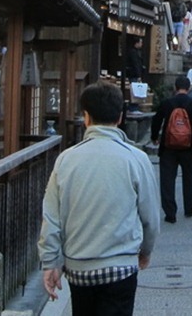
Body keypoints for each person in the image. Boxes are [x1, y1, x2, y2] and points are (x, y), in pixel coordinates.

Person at [39, 82, 159, 314]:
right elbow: (150, 217)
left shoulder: (66, 160)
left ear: (86, 117)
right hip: (121, 265)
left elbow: (51, 217)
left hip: (79, 266)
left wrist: (50, 262)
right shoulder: (135, 158)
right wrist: (145, 250)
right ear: (120, 117)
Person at [151, 77, 192, 223]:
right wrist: (191, 132)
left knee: (167, 179)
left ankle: (170, 213)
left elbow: (156, 120)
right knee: (188, 176)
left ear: (175, 87)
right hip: (188, 146)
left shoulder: (167, 103)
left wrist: (155, 136)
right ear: (188, 88)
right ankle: (189, 208)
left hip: (168, 146)